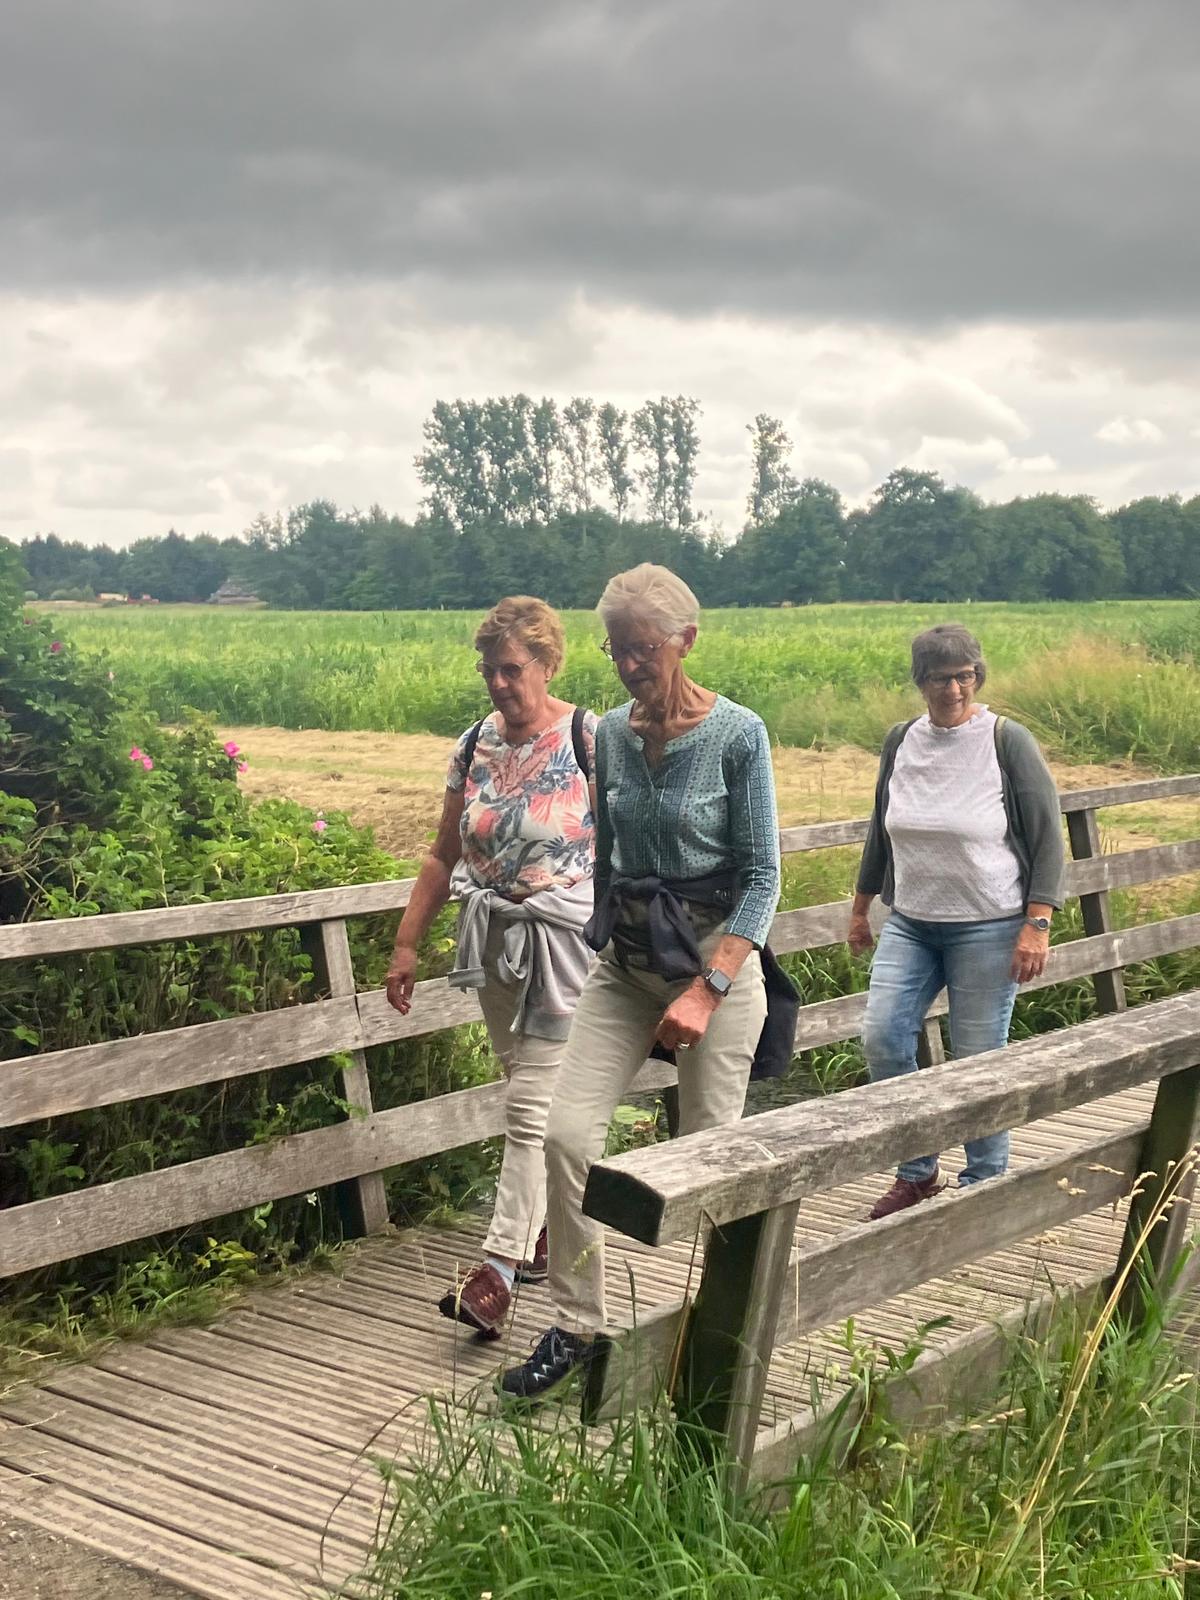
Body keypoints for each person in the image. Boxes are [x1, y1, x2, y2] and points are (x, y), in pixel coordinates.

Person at [500, 563, 781, 1400]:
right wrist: (578, 918)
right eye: (616, 651)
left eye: (643, 648)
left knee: (709, 1154)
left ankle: (713, 1329)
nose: (628, 665)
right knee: (563, 1134)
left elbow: (764, 877)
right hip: (625, 964)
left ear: (684, 642)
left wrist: (709, 987)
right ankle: (579, 1324)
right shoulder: (613, 736)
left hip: (712, 961)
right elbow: (612, 853)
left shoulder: (739, 734)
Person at [386, 596, 597, 1338]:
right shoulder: (473, 744)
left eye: (512, 669)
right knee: (524, 1096)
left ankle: (498, 1271)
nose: (499, 684)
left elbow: (628, 854)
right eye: (489, 670)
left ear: (547, 664)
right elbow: (444, 853)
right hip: (492, 943)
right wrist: (408, 943)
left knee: (529, 1109)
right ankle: (538, 1236)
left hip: (564, 947)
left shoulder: (588, 739)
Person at [848, 622, 1065, 1220]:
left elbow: (1048, 837)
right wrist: (863, 905)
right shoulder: (901, 742)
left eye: (964, 675)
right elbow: (880, 828)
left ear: (978, 676)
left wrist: (1037, 923)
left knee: (977, 1059)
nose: (953, 689)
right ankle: (917, 1172)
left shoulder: (1005, 740)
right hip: (912, 920)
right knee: (884, 1038)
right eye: (940, 678)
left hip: (990, 924)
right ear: (920, 682)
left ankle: (985, 1181)